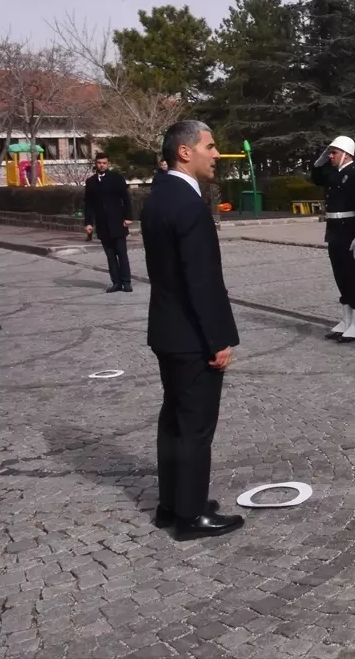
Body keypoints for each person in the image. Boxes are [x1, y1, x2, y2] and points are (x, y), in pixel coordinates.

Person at [142, 120, 243, 540]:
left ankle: (173, 503)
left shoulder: (159, 196)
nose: (216, 154)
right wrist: (219, 340)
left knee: (174, 422)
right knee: (196, 426)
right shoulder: (187, 205)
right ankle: (191, 515)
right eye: (210, 145)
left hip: (168, 329)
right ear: (185, 152)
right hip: (190, 335)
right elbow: (200, 281)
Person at [311, 136, 355, 343]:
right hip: (335, 230)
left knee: (353, 277)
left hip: (350, 231)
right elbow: (317, 178)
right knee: (340, 276)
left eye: (334, 153)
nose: (330, 156)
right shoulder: (333, 174)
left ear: (346, 154)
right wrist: (319, 162)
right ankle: (346, 320)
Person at [84, 152, 133, 293]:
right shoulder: (91, 182)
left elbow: (126, 199)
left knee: (122, 253)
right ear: (96, 164)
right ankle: (116, 282)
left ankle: (126, 282)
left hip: (118, 222)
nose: (102, 165)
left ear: (108, 163)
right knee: (110, 256)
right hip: (102, 223)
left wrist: (127, 217)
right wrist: (88, 223)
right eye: (99, 163)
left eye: (104, 163)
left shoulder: (117, 178)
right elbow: (88, 204)